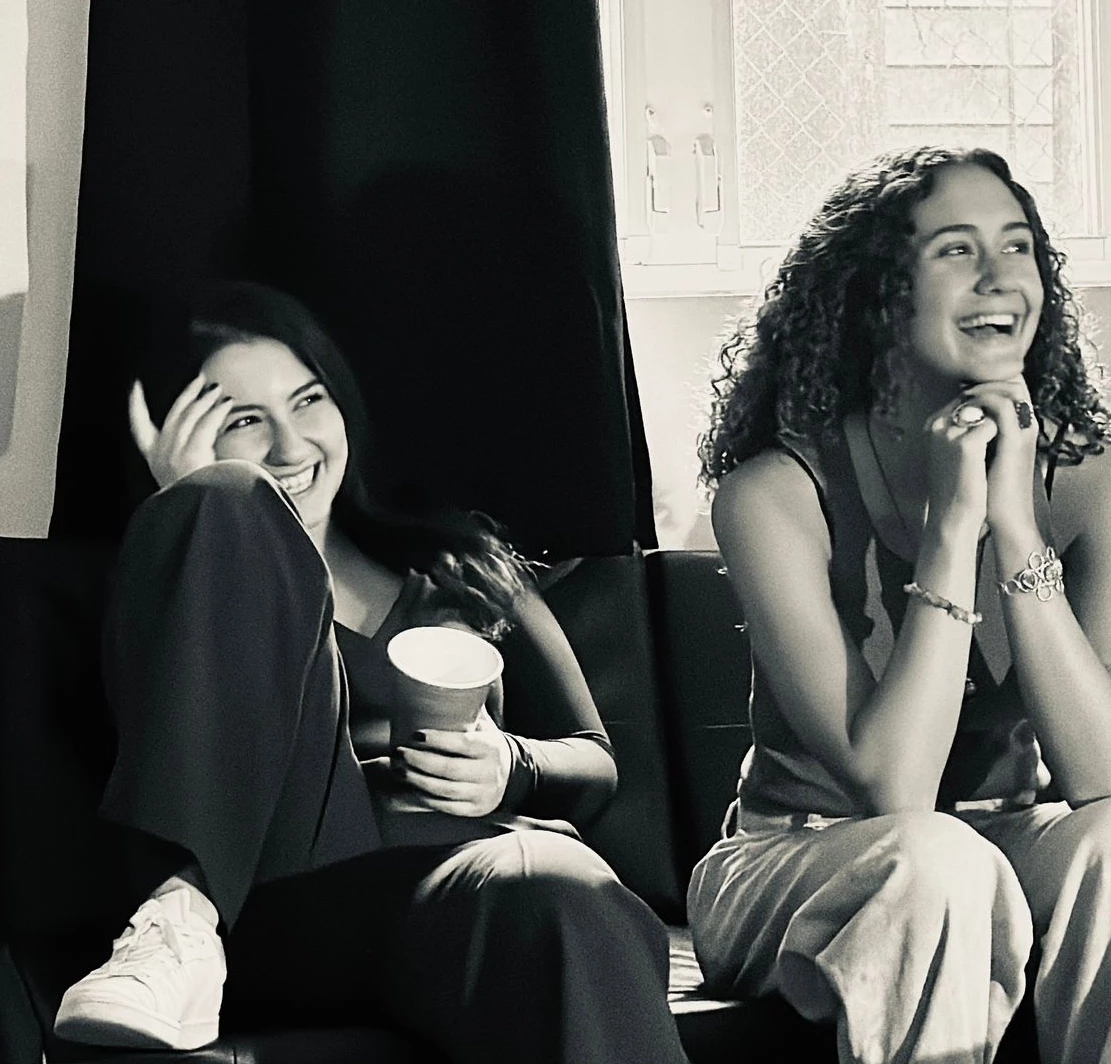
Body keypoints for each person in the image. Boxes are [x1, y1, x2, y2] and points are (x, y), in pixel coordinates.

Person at [690, 146, 1111, 1064]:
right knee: (936, 859)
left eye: (1018, 245)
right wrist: (953, 531)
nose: (1000, 276)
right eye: (956, 249)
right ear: (877, 294)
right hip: (799, 858)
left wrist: (1018, 527)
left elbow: (1103, 773)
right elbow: (893, 790)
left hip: (1003, 842)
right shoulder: (773, 495)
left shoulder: (1102, 481)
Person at [52, 281, 691, 1064]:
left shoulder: (456, 560)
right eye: (244, 419)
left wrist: (509, 765)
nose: (292, 446)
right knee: (231, 498)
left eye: (307, 401)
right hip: (276, 900)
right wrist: (193, 509)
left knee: (564, 890)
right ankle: (179, 920)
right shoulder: (173, 581)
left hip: (470, 878)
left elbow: (594, 762)